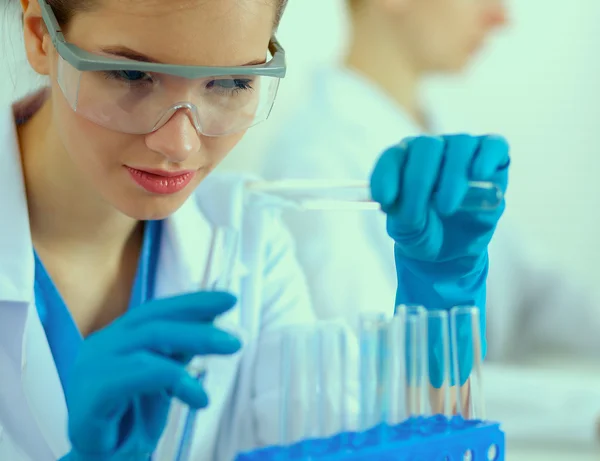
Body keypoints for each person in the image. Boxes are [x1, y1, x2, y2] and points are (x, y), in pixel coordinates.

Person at [0, 0, 509, 460]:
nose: (178, 144)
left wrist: (441, 303)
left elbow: (346, 443)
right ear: (40, 35)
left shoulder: (246, 243)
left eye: (229, 83)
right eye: (131, 75)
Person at [257, 0, 600, 360]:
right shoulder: (312, 157)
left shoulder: (443, 133)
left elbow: (537, 295)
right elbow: (374, 375)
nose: (501, 18)